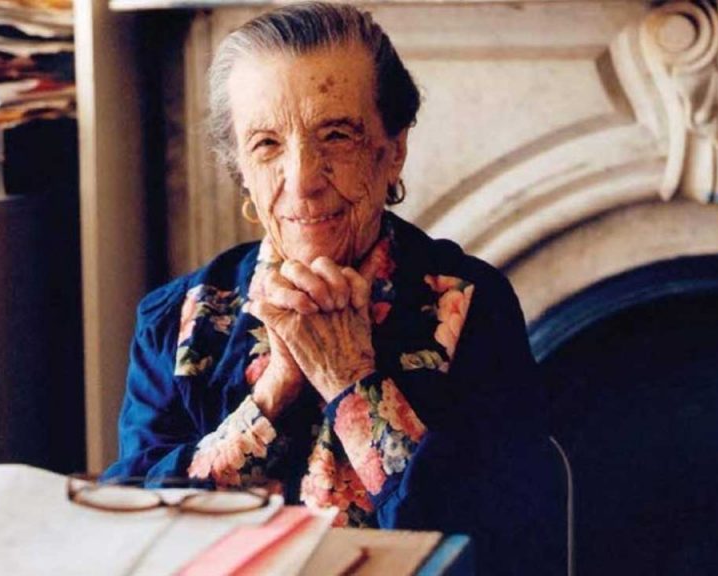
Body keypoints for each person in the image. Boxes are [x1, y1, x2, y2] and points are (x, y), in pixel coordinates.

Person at [105, 3, 563, 573]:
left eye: (337, 135)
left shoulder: (469, 306)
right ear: (240, 168)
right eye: (267, 144)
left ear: (392, 151)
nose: (302, 181)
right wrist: (272, 395)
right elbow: (131, 531)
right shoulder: (178, 319)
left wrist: (350, 379)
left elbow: (503, 545)